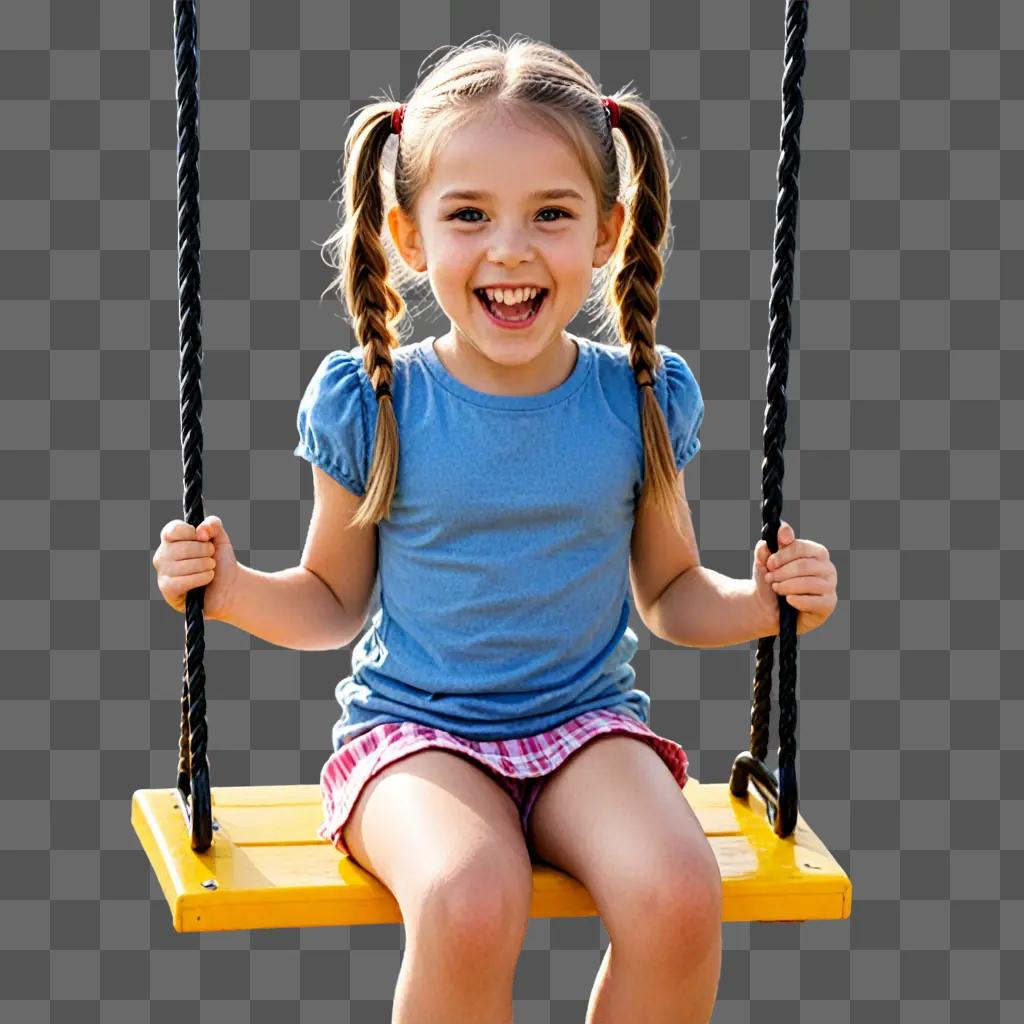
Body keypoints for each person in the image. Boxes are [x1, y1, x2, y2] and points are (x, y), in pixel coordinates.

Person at [152, 32, 838, 1024]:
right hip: (414, 738)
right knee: (471, 900)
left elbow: (671, 592)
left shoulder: (638, 398)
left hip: (584, 729)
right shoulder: (376, 400)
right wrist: (226, 586)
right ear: (408, 233)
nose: (509, 248)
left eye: (550, 214)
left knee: (680, 895)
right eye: (468, 213)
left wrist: (764, 605)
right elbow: (331, 602)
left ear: (604, 231)